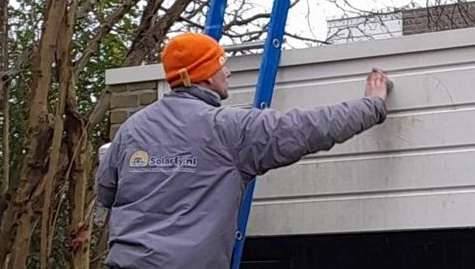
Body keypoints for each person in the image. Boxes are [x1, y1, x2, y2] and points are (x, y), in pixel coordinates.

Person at [97, 32, 391, 269]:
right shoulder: (227, 129)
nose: (227, 72)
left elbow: (106, 192)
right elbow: (306, 128)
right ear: (206, 75)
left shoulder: (133, 128)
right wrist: (372, 105)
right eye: (220, 64)